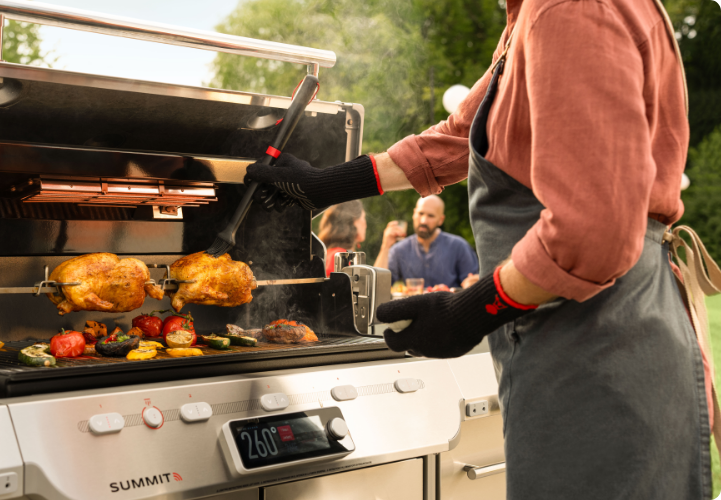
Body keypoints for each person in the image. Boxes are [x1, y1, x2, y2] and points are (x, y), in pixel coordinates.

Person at [244, 0, 712, 496]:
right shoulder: (533, 15)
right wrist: (329, 183)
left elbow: (592, 229)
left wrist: (473, 309)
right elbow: (464, 137)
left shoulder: (567, 7)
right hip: (583, 327)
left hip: (598, 339)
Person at [374, 195, 479, 288]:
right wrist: (385, 247)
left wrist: (472, 282)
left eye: (431, 216)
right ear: (414, 214)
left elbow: (473, 284)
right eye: (420, 213)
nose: (423, 220)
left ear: (441, 220)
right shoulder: (400, 249)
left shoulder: (459, 246)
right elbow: (378, 285)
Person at [317, 201, 366, 276]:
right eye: (364, 217)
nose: (365, 224)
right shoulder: (341, 258)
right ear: (354, 221)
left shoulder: (330, 254)